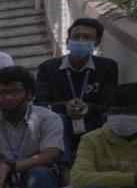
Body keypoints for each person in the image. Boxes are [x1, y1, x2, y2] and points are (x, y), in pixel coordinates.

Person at [35, 17, 120, 151]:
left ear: (97, 42)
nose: (80, 40)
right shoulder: (48, 68)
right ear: (68, 40)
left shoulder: (107, 67)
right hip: (60, 122)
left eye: (87, 37)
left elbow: (109, 104)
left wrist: (87, 108)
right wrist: (65, 107)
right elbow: (40, 103)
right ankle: (64, 161)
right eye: (76, 36)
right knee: (57, 120)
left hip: (93, 121)